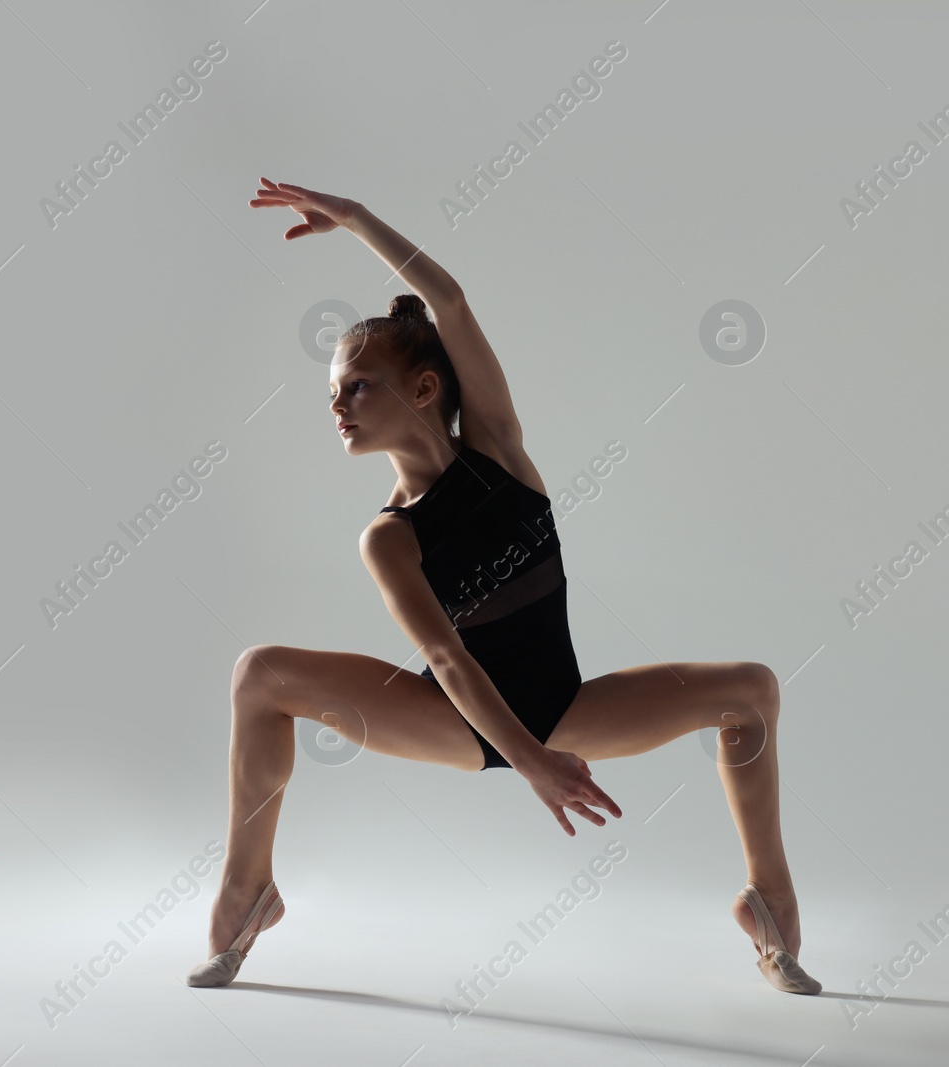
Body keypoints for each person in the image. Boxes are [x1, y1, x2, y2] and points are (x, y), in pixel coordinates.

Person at [185, 180, 820, 996]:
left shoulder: (501, 454)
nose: (338, 405)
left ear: (423, 390)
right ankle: (248, 894)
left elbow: (447, 298)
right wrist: (531, 763)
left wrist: (354, 219)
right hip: (456, 720)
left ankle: (771, 904)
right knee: (259, 675)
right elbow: (446, 658)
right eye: (333, 393)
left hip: (560, 706)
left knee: (752, 692)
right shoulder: (388, 535)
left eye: (357, 385)